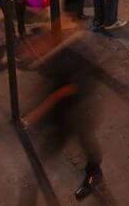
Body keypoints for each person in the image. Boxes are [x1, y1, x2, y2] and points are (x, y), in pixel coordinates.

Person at [23, 15, 104, 200]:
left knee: (83, 142)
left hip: (76, 112)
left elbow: (67, 88)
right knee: (78, 143)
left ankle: (94, 173)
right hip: (65, 114)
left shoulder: (73, 55)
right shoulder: (57, 53)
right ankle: (93, 172)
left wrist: (38, 111)